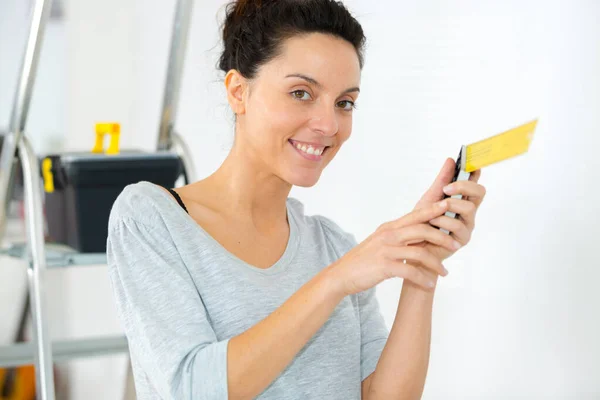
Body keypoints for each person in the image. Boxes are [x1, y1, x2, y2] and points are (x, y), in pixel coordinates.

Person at [106, 0, 486, 399]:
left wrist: (422, 265)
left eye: (344, 102)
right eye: (301, 93)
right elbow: (192, 390)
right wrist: (335, 282)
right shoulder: (152, 219)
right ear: (239, 92)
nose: (328, 124)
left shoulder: (334, 247)